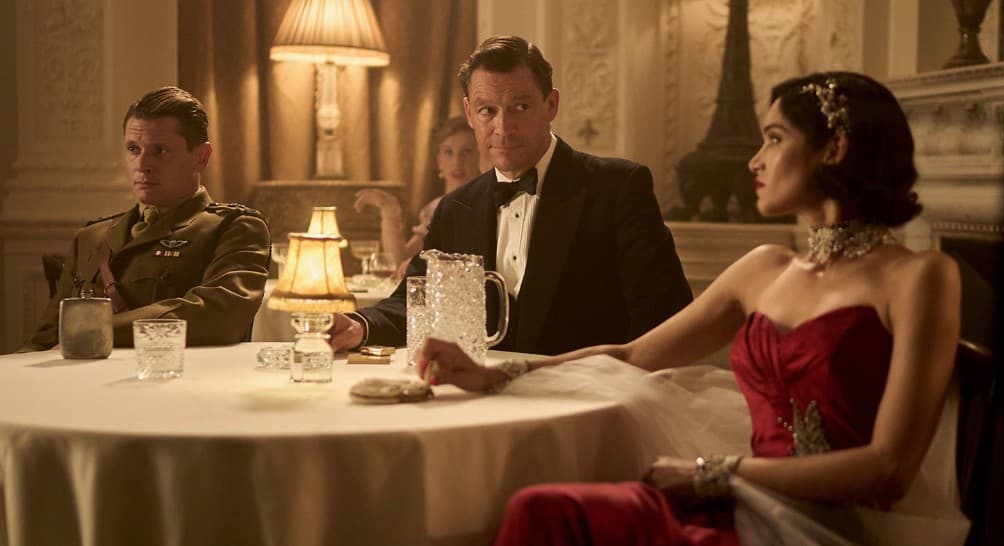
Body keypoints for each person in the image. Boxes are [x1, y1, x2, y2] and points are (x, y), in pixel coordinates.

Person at [416, 72, 970, 545]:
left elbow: (889, 469)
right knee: (541, 508)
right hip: (740, 498)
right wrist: (496, 374)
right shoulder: (763, 268)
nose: (754, 160)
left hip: (827, 527)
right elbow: (632, 355)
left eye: (774, 139)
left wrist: (713, 473)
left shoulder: (921, 276)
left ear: (834, 148)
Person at [330, 35, 694, 355]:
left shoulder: (618, 187)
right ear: (470, 113)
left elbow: (663, 316)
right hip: (479, 396)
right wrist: (359, 325)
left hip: (588, 397)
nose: (503, 127)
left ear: (551, 105)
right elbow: (415, 300)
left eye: (520, 107)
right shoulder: (456, 207)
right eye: (488, 111)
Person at [20, 86, 271, 351]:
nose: (142, 164)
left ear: (201, 157)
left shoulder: (234, 229)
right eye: (133, 149)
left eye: (160, 151)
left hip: (176, 375)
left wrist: (96, 330)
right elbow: (46, 339)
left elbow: (219, 316)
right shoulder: (92, 237)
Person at [352, 116, 482, 276]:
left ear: (480, 156)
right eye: (448, 152)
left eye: (467, 152)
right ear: (439, 161)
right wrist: (389, 212)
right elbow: (400, 263)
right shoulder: (435, 209)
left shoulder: (488, 204)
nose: (457, 161)